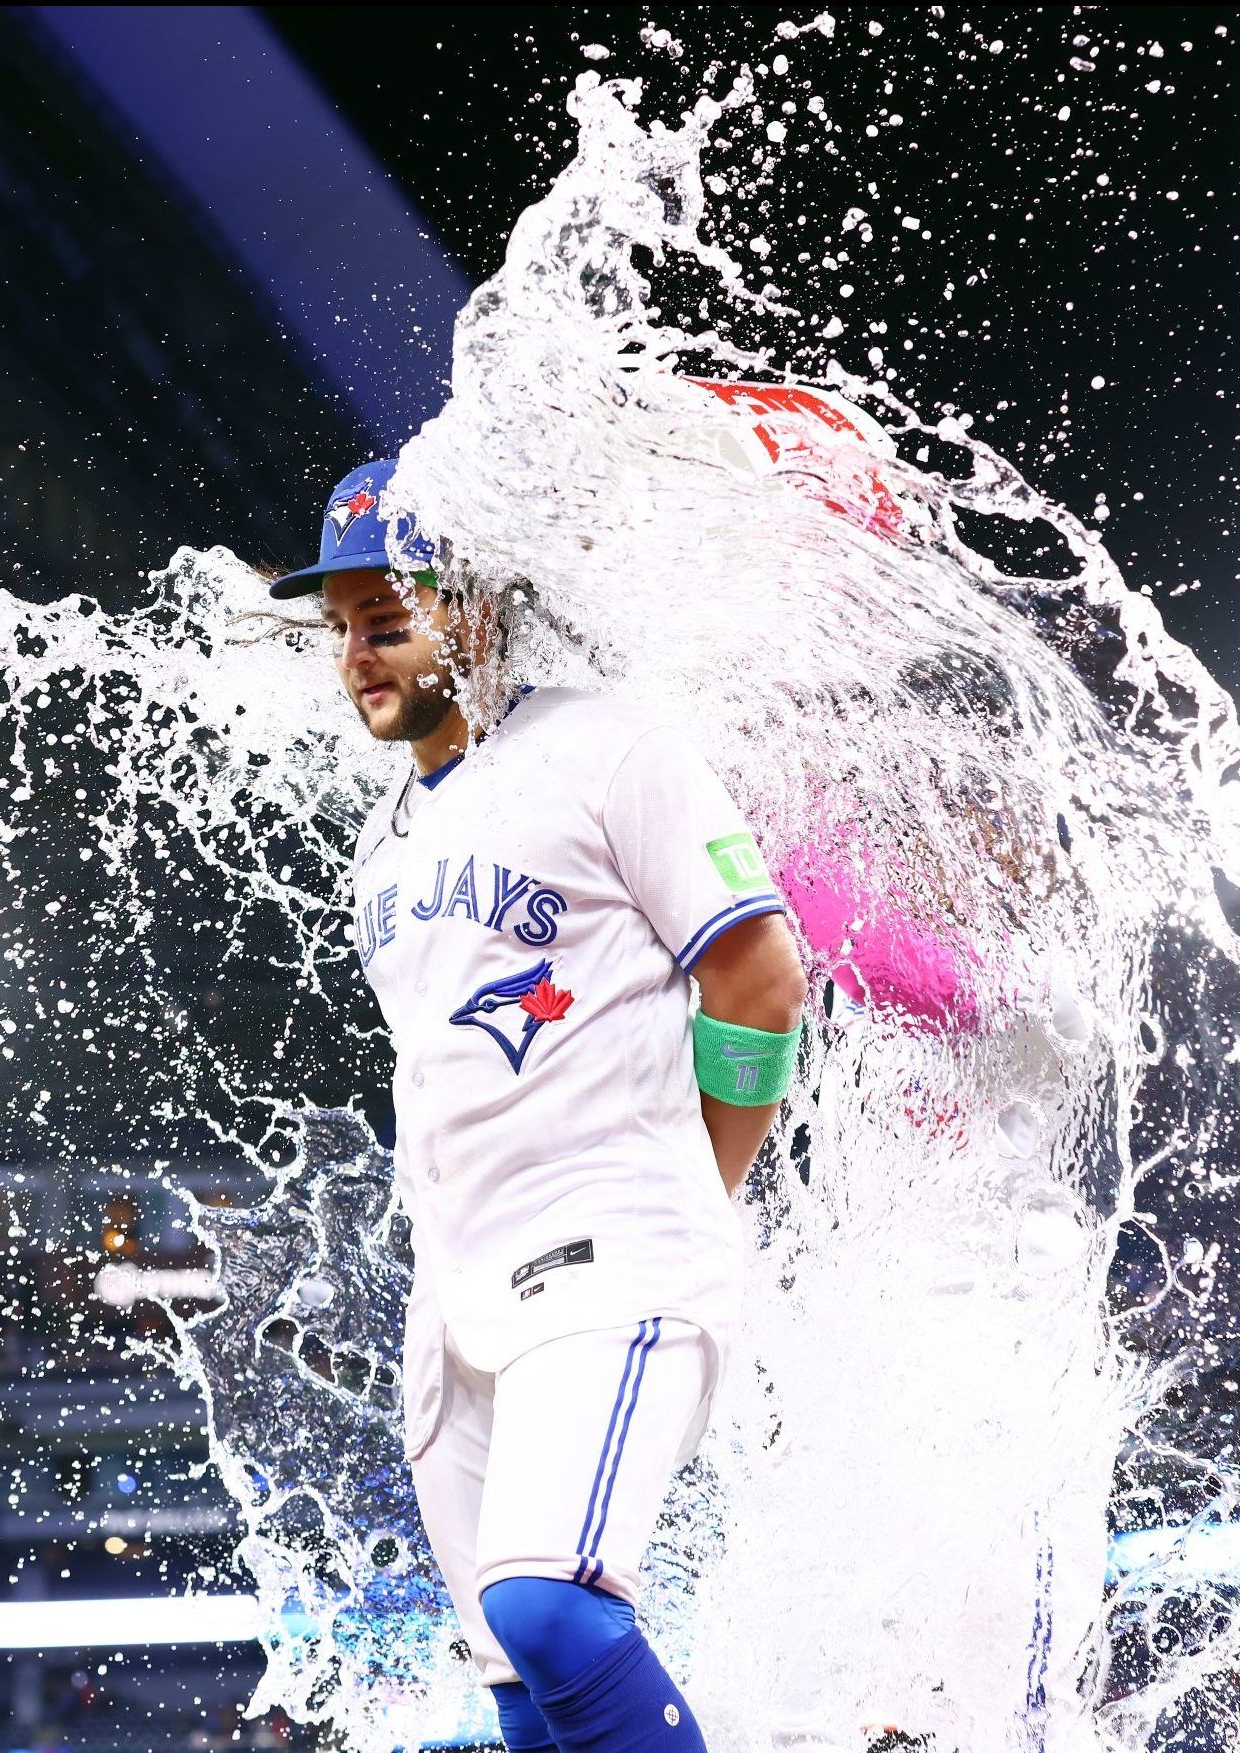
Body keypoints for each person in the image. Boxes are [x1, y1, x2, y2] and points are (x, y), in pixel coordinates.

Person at [267, 460, 807, 1752]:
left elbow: (761, 976)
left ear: (478, 611)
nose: (356, 654)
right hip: (458, 1303)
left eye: (385, 619)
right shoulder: (382, 845)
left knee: (552, 1604)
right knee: (521, 1684)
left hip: (613, 1248)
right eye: (341, 625)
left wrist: (698, 1185)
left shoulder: (608, 744)